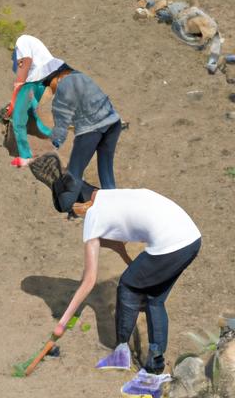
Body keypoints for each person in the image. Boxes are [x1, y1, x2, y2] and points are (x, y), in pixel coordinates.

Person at [31, 157, 202, 375]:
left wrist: (62, 323)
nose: (75, 217)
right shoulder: (108, 196)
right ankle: (155, 365)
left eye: (72, 213)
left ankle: (122, 352)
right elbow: (117, 244)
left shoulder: (93, 215)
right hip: (190, 237)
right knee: (154, 299)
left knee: (128, 287)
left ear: (79, 205)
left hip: (169, 244)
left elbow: (89, 280)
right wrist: (132, 264)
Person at [49, 66, 121, 189]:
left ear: (57, 77)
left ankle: (72, 206)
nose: (51, 89)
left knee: (73, 176)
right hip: (113, 123)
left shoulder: (63, 84)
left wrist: (54, 143)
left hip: (91, 130)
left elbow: (61, 120)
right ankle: (113, 203)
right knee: (107, 172)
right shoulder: (82, 76)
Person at [5, 35, 70, 167]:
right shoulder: (34, 46)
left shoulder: (21, 43)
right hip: (53, 77)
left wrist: (13, 104)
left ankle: (25, 156)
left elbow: (24, 69)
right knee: (34, 109)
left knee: (18, 120)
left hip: (40, 80)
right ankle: (54, 137)